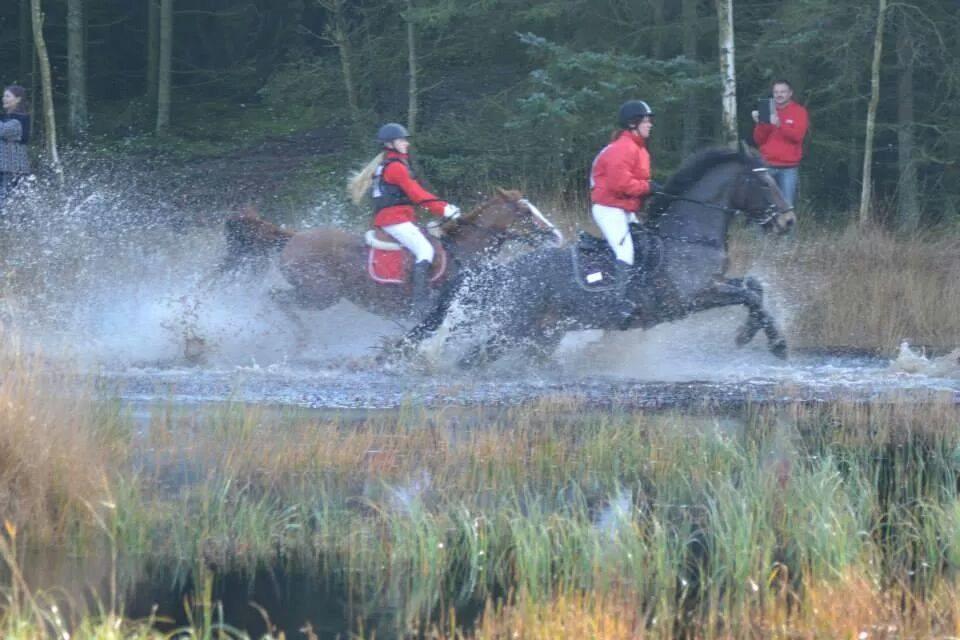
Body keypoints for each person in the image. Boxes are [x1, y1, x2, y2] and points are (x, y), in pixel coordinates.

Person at [350, 122, 461, 316]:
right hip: (394, 220)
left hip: (397, 218)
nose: (406, 144)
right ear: (390, 144)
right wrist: (444, 209)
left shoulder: (390, 164)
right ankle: (420, 303)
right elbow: (416, 194)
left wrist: (441, 207)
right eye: (402, 140)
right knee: (425, 250)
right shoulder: (395, 167)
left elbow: (416, 193)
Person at [589, 99, 660, 324]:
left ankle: (638, 296)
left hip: (624, 207)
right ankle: (618, 305)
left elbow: (636, 182)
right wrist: (648, 188)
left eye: (650, 121)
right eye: (646, 121)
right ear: (633, 123)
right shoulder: (622, 148)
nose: (650, 125)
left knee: (646, 246)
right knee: (625, 252)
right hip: (609, 208)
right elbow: (619, 184)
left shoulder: (639, 149)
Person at [751, 80, 808, 208]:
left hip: (788, 169)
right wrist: (760, 123)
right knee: (763, 206)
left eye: (783, 91)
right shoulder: (767, 110)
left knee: (786, 207)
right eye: (776, 92)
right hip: (767, 167)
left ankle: (788, 229)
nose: (779, 95)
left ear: (790, 93)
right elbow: (759, 140)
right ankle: (757, 229)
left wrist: (779, 125)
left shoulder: (799, 111)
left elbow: (798, 137)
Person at [0, 85, 31, 214]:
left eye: (7, 96)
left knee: (5, 202)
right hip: (5, 166)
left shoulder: (20, 119)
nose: (3, 98)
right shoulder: (6, 117)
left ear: (18, 99)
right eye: (3, 96)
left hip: (11, 167)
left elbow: (3, 130)